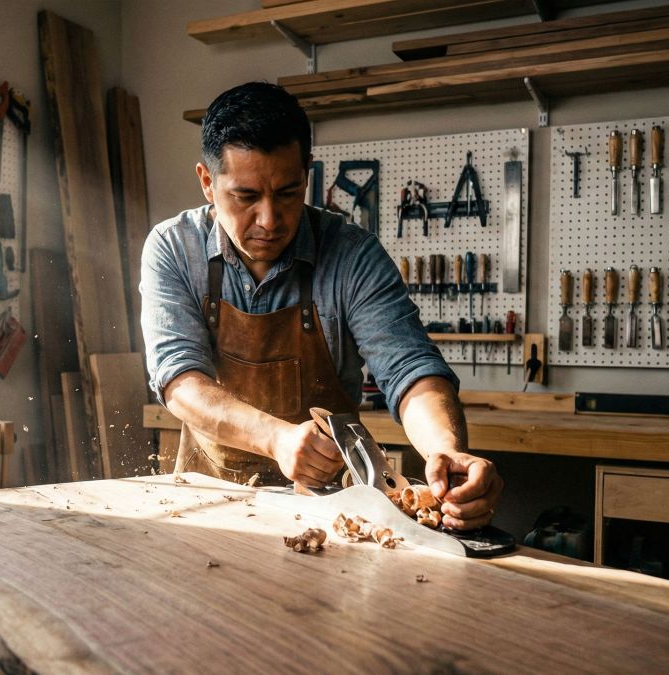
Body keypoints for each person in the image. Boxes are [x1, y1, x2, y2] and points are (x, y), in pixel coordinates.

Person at [139, 82, 501, 530]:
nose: (269, 220)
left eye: (288, 193)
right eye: (246, 197)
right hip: (212, 505)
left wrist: (444, 449)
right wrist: (277, 438)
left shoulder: (353, 255)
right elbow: (180, 379)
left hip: (332, 511)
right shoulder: (174, 248)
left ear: (306, 173)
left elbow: (409, 369)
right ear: (208, 182)